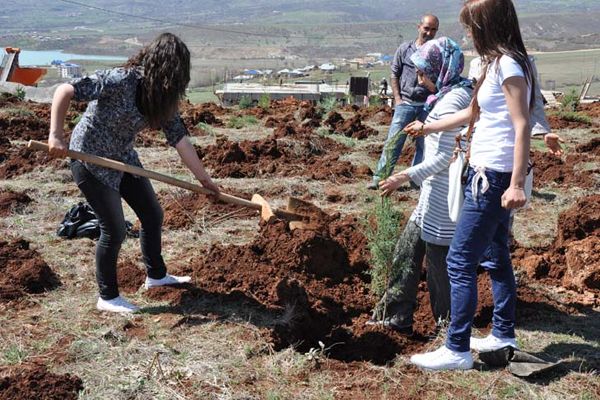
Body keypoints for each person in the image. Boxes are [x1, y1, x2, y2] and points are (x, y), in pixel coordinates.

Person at [48, 33, 221, 314]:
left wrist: (205, 181)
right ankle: (108, 297)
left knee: (152, 214)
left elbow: (181, 141)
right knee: (114, 229)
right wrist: (56, 136)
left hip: (124, 159)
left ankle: (156, 276)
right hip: (90, 159)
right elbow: (64, 90)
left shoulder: (160, 99)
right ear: (162, 69)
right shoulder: (120, 80)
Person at [405, 0, 535, 370]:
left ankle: (457, 348)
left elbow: (522, 124)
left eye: (471, 26)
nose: (468, 34)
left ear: (488, 25)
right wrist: (428, 126)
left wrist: (516, 184)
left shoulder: (509, 64)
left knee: (460, 260)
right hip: (488, 172)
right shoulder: (495, 64)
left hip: (493, 177)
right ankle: (504, 332)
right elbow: (474, 113)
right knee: (495, 255)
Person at [367, 37, 473, 335]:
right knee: (406, 251)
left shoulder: (455, 100)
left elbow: (444, 157)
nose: (420, 78)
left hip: (444, 201)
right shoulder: (447, 94)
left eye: (424, 72)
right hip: (431, 196)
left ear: (440, 69)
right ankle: (395, 317)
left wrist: (404, 176)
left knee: (440, 266)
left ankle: (449, 329)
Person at [367, 14, 440, 190]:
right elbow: (394, 73)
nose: (429, 32)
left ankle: (417, 180)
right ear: (419, 27)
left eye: (433, 30)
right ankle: (381, 177)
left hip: (427, 105)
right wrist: (398, 99)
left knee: (424, 145)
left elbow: (440, 79)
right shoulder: (405, 49)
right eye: (426, 28)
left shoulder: (437, 53)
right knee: (394, 141)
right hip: (405, 103)